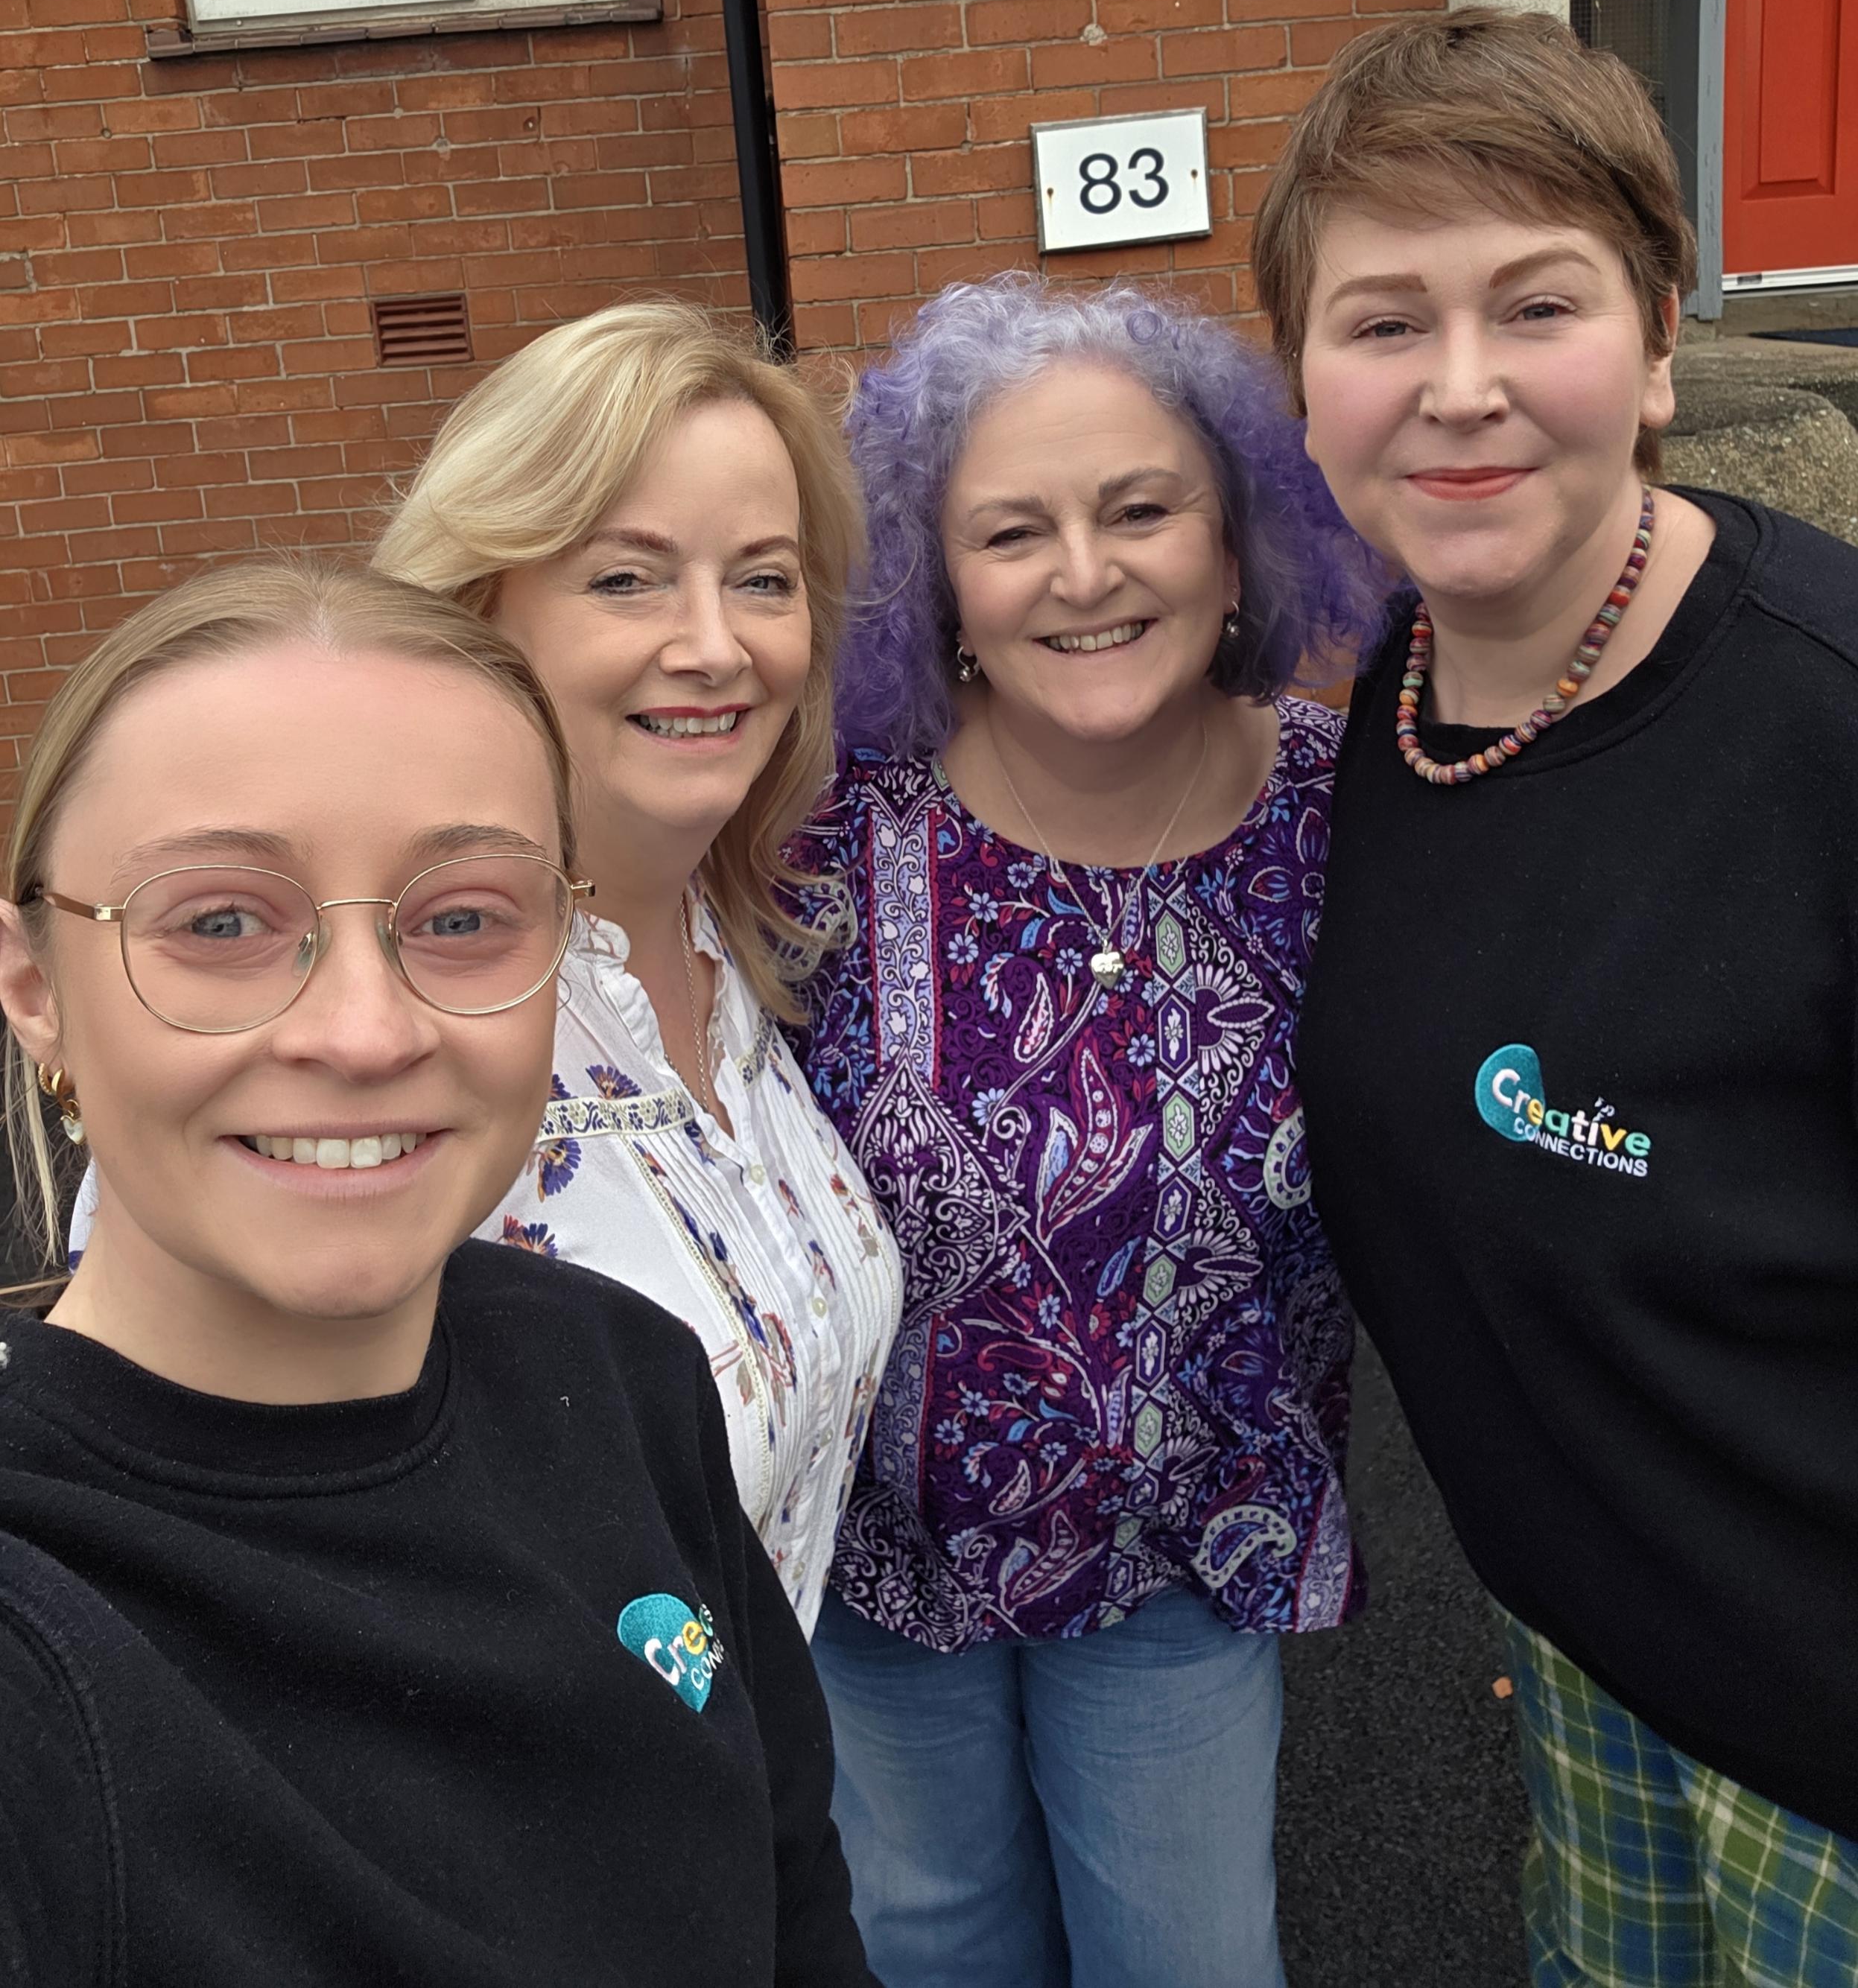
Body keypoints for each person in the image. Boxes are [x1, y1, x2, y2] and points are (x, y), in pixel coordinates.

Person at [0, 558, 875, 1988]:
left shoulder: (622, 1372)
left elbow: (797, 1912)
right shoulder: (41, 1620)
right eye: (220, 923)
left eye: (462, 917)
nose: (364, 1032)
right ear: (36, 989)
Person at [1261, 10, 1858, 1984]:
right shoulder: (1388, 698)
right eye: (1381, 321)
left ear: (1658, 336)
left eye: (1534, 304)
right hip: (1593, 1663)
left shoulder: (1819, 728)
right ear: (1302, 380)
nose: (1459, 387)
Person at [792, 273, 1386, 1988]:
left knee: (1186, 1958)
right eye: (1010, 531)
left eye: (1139, 510)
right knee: (927, 1943)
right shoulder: (820, 827)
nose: (1081, 572)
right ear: (937, 584)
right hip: (879, 1564)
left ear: (1236, 544)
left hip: (1177, 1562)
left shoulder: (1345, 811)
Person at [372, 301, 901, 1635]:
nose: (716, 646)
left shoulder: (737, 934)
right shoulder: (373, 1016)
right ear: (480, 608)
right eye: (626, 579)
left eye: (764, 579)